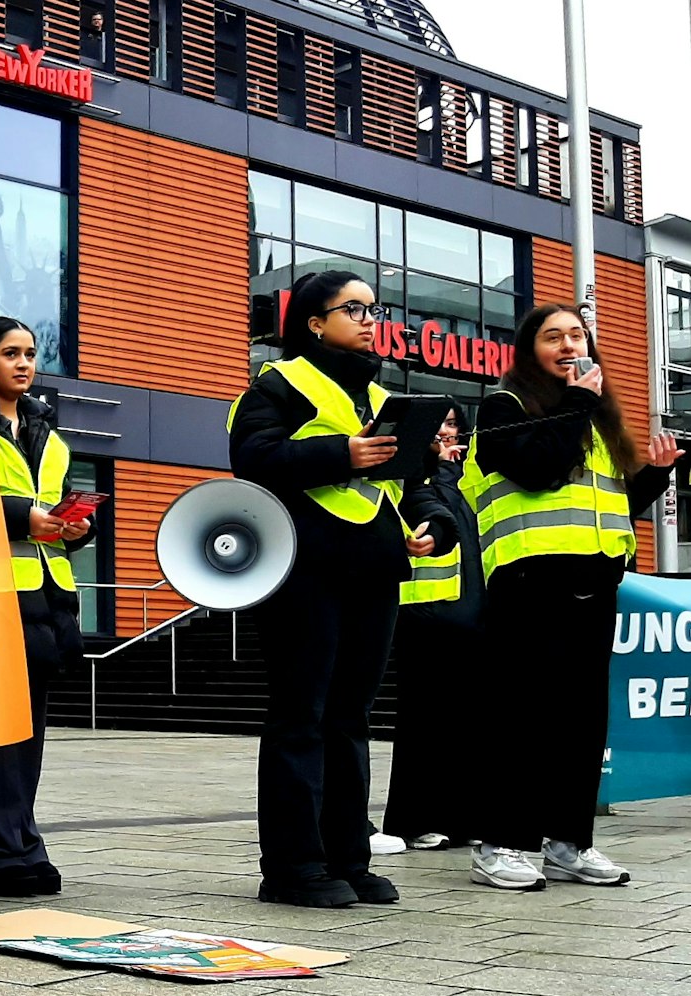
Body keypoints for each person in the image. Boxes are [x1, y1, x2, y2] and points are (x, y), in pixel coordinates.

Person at [228, 270, 456, 908]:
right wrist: (341, 454)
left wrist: (426, 525)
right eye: (351, 308)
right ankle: (295, 867)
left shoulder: (384, 397)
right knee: (302, 717)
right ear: (313, 322)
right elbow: (253, 459)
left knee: (350, 719)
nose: (366, 318)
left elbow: (417, 481)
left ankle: (347, 858)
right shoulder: (277, 386)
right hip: (305, 570)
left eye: (371, 308)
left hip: (374, 569)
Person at [460, 304, 680, 890]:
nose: (566, 345)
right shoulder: (505, 406)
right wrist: (581, 403)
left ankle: (568, 841)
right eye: (551, 337)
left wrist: (653, 477)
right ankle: (500, 842)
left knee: (581, 721)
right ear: (529, 350)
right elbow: (536, 472)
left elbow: (605, 505)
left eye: (575, 335)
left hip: (593, 585)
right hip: (529, 584)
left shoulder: (597, 420)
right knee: (522, 716)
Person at [0, 318, 93, 897]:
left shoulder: (48, 434)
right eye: (10, 353)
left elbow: (52, 510)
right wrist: (19, 517)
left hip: (46, 601)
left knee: (26, 736)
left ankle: (19, 844)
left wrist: (75, 528)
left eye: (30, 353)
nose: (25, 363)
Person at [381, 401, 480, 852]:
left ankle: (461, 818)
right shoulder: (414, 475)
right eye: (440, 424)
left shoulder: (470, 475)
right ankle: (413, 819)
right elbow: (427, 506)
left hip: (470, 610)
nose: (448, 432)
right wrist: (440, 468)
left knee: (465, 720)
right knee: (423, 720)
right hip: (424, 611)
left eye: (455, 424)